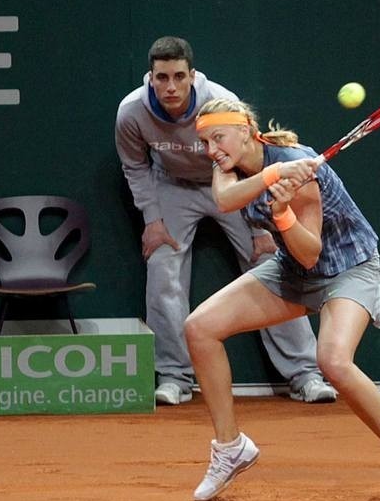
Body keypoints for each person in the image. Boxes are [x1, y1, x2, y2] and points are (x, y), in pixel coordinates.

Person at [185, 98, 380, 501]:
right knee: (200, 328)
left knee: (333, 362)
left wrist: (282, 212)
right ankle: (231, 447)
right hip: (292, 273)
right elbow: (226, 201)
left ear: (246, 129)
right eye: (205, 142)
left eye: (219, 137)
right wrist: (275, 176)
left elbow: (311, 253)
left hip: (347, 269)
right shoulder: (231, 167)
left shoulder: (301, 165)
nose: (212, 150)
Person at [114, 36, 336, 405]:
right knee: (162, 265)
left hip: (230, 181)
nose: (170, 86)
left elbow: (254, 158)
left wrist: (260, 227)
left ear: (192, 76)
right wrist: (152, 219)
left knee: (271, 263)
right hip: (171, 187)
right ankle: (174, 377)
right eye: (162, 77)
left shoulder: (221, 102)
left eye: (179, 77)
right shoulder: (131, 112)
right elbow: (135, 167)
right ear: (150, 77)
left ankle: (304, 373)